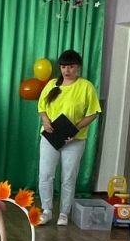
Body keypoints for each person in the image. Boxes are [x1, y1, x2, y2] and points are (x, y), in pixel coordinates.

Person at [37, 49, 101, 226]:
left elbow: (93, 113)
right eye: (64, 67)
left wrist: (74, 129)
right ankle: (47, 210)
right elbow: (42, 108)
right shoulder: (51, 85)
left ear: (78, 67)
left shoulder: (86, 86)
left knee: (68, 177)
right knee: (45, 174)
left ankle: (64, 213)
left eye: (71, 67)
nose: (67, 70)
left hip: (75, 140)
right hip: (50, 137)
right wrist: (45, 120)